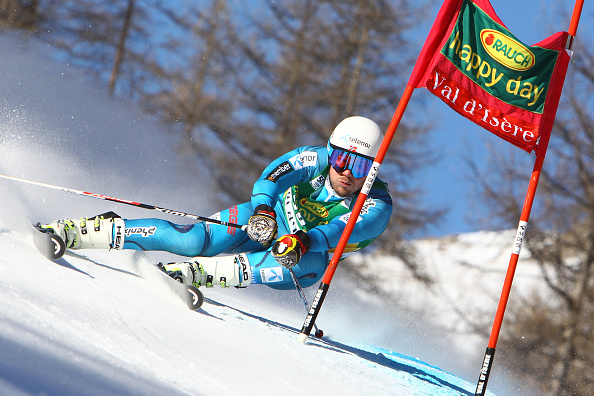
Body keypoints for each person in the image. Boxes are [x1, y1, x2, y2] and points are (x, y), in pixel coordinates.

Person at [40, 116, 393, 290]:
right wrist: (265, 209)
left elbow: (341, 230)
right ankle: (88, 232)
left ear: (372, 170)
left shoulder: (376, 206)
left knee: (301, 262)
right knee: (193, 240)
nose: (346, 171)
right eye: (341, 159)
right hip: (268, 223)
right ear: (330, 153)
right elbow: (271, 178)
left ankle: (201, 276)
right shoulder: (312, 159)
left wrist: (304, 240)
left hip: (303, 255)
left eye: (360, 164)